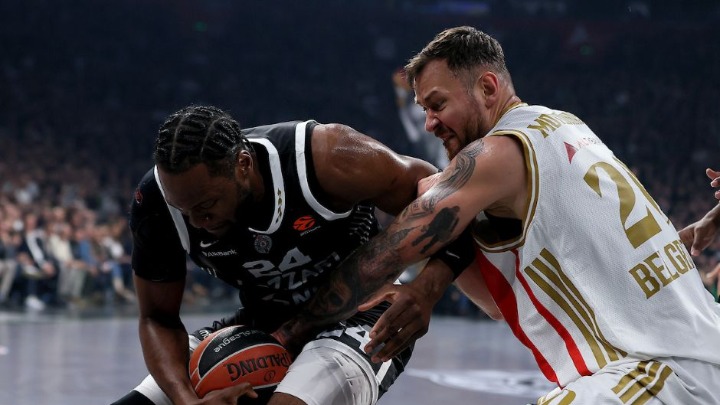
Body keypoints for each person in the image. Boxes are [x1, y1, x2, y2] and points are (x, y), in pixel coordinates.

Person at [273, 26, 720, 404]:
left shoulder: (496, 152)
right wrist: (431, 283)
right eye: (423, 110)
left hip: (657, 374)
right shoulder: (566, 126)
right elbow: (495, 304)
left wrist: (290, 332)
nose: (429, 123)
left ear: (487, 88)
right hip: (698, 356)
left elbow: (386, 256)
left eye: (437, 105)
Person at [112, 105, 473, 405]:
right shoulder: (157, 204)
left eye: (206, 205)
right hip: (265, 322)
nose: (196, 221)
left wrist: (427, 289)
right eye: (184, 209)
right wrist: (185, 401)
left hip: (360, 314)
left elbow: (459, 200)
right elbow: (157, 317)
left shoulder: (328, 157)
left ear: (243, 164)